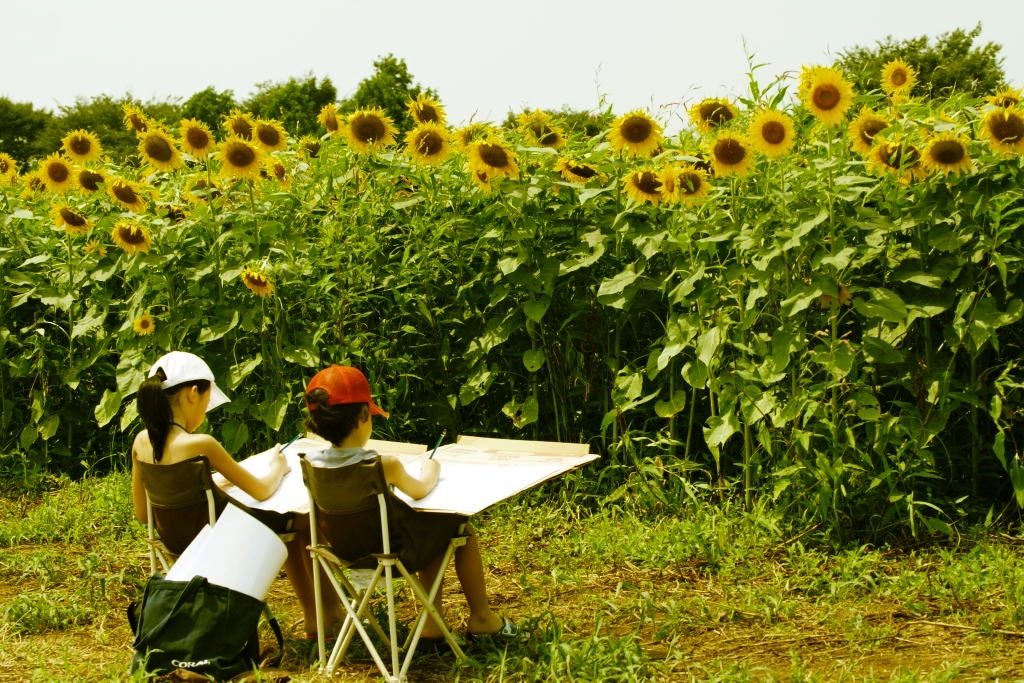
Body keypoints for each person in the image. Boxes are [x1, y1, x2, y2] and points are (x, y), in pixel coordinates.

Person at [302, 364, 520, 646]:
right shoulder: (382, 465)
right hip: (392, 554)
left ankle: (434, 623)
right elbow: (420, 490)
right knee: (458, 527)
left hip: (343, 553)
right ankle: (481, 617)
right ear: (364, 416)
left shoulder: (312, 464)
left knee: (430, 529)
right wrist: (431, 467)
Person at [130, 350, 341, 639]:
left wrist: (208, 488)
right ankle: (324, 615)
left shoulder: (141, 442)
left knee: (290, 524)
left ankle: (321, 616)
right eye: (206, 401)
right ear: (193, 393)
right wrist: (278, 465)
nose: (204, 410)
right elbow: (262, 488)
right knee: (299, 521)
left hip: (180, 542)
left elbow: (144, 515)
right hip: (222, 540)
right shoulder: (201, 444)